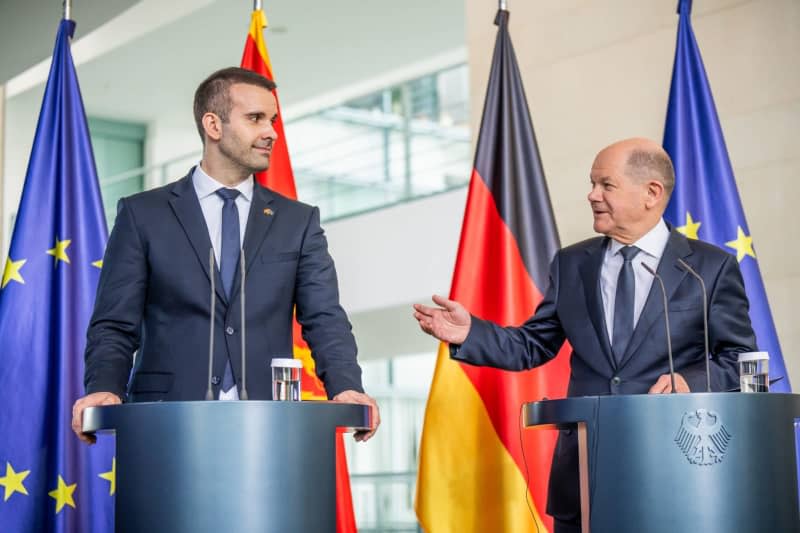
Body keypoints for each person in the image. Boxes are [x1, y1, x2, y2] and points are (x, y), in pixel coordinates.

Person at [413, 137, 755, 532]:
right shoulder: (573, 263)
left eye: (606, 185)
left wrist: (689, 380)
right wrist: (470, 333)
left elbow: (739, 360)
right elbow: (533, 345)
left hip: (675, 469)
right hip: (583, 476)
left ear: (651, 193)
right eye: (592, 184)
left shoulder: (709, 268)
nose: (592, 195)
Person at [72, 67, 379, 443]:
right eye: (255, 119)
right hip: (166, 423)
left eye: (272, 120)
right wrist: (105, 386)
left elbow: (325, 318)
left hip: (271, 425)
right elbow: (115, 324)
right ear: (213, 125)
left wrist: (346, 386)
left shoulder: (298, 222)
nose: (271, 132)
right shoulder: (142, 215)